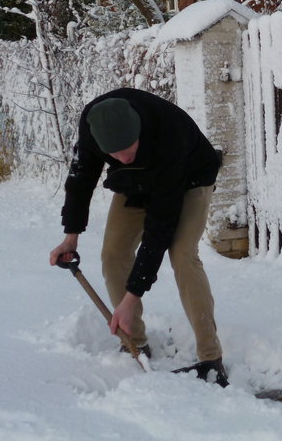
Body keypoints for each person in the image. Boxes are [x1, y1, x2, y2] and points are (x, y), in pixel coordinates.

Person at [49, 88, 228, 386]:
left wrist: (132, 296)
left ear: (139, 130)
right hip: (135, 180)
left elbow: (160, 228)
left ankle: (211, 359)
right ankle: (135, 344)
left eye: (128, 148)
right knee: (113, 254)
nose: (121, 156)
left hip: (189, 177)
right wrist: (71, 237)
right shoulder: (94, 126)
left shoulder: (168, 132)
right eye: (114, 154)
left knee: (182, 254)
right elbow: (81, 179)